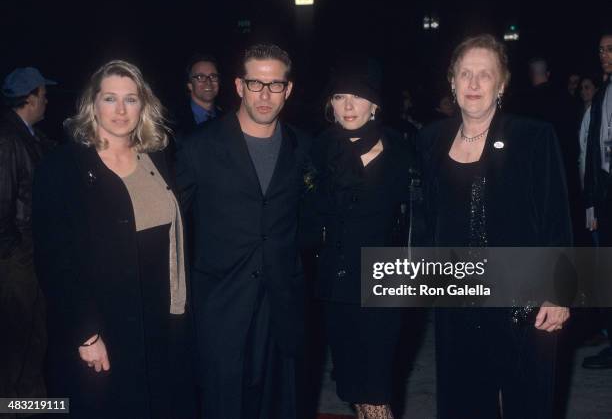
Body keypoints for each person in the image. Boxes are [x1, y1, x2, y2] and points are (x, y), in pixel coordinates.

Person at [32, 60, 195, 417]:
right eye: (110, 99)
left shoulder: (157, 156)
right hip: (101, 323)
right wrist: (85, 334)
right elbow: (54, 260)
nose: (121, 110)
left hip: (158, 319)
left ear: (144, 105)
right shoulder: (62, 167)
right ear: (92, 104)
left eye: (131, 99)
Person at [420, 34, 571, 418]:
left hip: (523, 303)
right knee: (463, 401)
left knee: (527, 403)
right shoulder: (431, 140)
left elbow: (556, 217)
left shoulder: (533, 136)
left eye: (484, 75)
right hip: (456, 302)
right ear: (451, 82)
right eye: (465, 74)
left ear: (501, 85)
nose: (473, 84)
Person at [176, 44, 310, 419]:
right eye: (255, 84)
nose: (265, 95)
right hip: (221, 305)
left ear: (289, 89)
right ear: (238, 86)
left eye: (275, 85)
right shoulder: (198, 148)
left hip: (282, 306)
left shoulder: (303, 148)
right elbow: (175, 226)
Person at [302, 65, 422, 419]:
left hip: (385, 278)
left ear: (375, 106)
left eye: (358, 97)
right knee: (353, 380)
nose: (349, 106)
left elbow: (422, 217)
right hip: (336, 283)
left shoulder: (402, 152)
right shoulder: (318, 150)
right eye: (340, 97)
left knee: (377, 382)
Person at [0, 67, 56, 400]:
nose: (47, 100)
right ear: (29, 97)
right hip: (16, 264)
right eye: (43, 94)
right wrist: (13, 255)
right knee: (17, 348)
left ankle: (32, 407)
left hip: (28, 259)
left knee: (34, 343)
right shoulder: (7, 140)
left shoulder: (30, 137)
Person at [582, 30, 612, 369]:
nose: (603, 54)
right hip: (606, 194)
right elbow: (594, 151)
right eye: (601, 49)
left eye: (609, 49)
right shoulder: (604, 93)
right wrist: (592, 200)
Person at [174, 53, 223, 136]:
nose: (208, 82)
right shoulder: (173, 122)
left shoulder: (227, 118)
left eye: (213, 76)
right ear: (190, 85)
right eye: (200, 77)